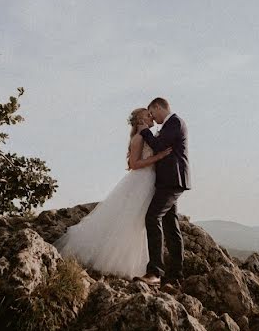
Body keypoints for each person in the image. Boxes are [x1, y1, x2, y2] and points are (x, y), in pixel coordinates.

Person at [54, 108, 173, 278]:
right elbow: (134, 164)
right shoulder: (139, 138)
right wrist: (158, 157)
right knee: (130, 220)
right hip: (141, 182)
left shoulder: (148, 136)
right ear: (140, 120)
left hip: (150, 182)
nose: (151, 116)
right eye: (148, 115)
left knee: (139, 224)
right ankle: (116, 260)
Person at [135, 97, 191, 287]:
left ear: (159, 107)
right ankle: (175, 275)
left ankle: (155, 272)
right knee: (170, 226)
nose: (152, 117)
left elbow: (159, 147)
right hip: (169, 180)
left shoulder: (175, 122)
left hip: (172, 180)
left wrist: (144, 132)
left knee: (152, 218)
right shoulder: (170, 125)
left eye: (152, 112)